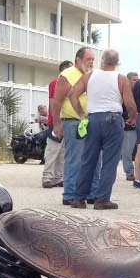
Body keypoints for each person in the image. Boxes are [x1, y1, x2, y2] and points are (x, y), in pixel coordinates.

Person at [67, 48, 136, 210]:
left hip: (92, 119)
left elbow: (72, 94)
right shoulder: (121, 79)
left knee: (88, 160)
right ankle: (102, 199)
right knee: (110, 162)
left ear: (102, 60)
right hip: (112, 120)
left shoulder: (89, 76)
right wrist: (132, 117)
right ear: (117, 63)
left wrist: (82, 114)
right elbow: (130, 103)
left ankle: (79, 198)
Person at [50, 47, 94, 207]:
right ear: (78, 59)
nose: (91, 62)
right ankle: (69, 194)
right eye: (88, 59)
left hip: (89, 122)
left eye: (93, 59)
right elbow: (57, 101)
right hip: (73, 122)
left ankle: (90, 193)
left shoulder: (89, 76)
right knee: (74, 159)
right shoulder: (67, 75)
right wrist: (56, 123)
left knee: (91, 159)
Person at [40, 60, 70, 189]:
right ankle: (47, 177)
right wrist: (56, 121)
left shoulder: (68, 84)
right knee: (53, 150)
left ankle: (58, 177)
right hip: (57, 121)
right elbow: (53, 102)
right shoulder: (55, 83)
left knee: (62, 151)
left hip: (66, 120)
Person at [121, 71, 140, 181]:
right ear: (128, 80)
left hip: (137, 125)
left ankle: (137, 171)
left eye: (137, 80)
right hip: (127, 126)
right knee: (127, 150)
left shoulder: (137, 92)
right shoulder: (124, 92)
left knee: (137, 150)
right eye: (134, 80)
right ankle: (129, 172)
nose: (136, 82)